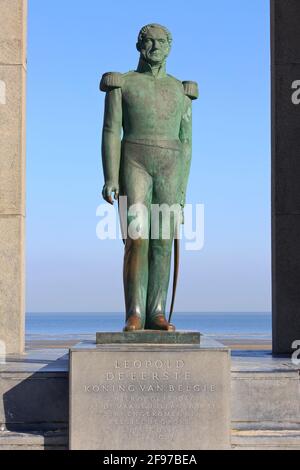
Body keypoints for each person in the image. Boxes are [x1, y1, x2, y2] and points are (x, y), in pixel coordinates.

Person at [100, 23, 198, 331]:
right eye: (148, 42)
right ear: (139, 45)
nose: (154, 47)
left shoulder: (181, 90)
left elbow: (187, 142)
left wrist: (182, 191)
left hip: (171, 164)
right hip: (134, 160)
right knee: (137, 238)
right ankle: (135, 312)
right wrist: (110, 176)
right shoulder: (122, 83)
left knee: (162, 242)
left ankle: (157, 311)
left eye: (160, 42)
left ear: (169, 47)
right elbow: (111, 131)